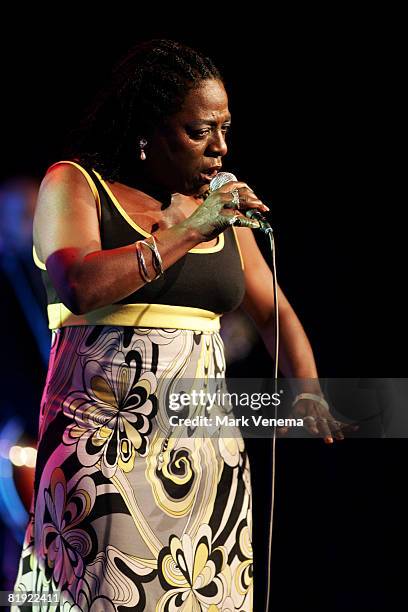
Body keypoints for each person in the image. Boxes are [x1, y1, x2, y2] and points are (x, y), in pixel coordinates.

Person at [11, 39, 348, 611]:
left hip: (205, 462)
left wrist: (308, 390)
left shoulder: (224, 214)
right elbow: (81, 285)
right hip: (104, 455)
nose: (220, 147)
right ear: (148, 131)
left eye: (225, 128)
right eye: (199, 131)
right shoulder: (74, 185)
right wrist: (187, 230)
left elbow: (277, 314)